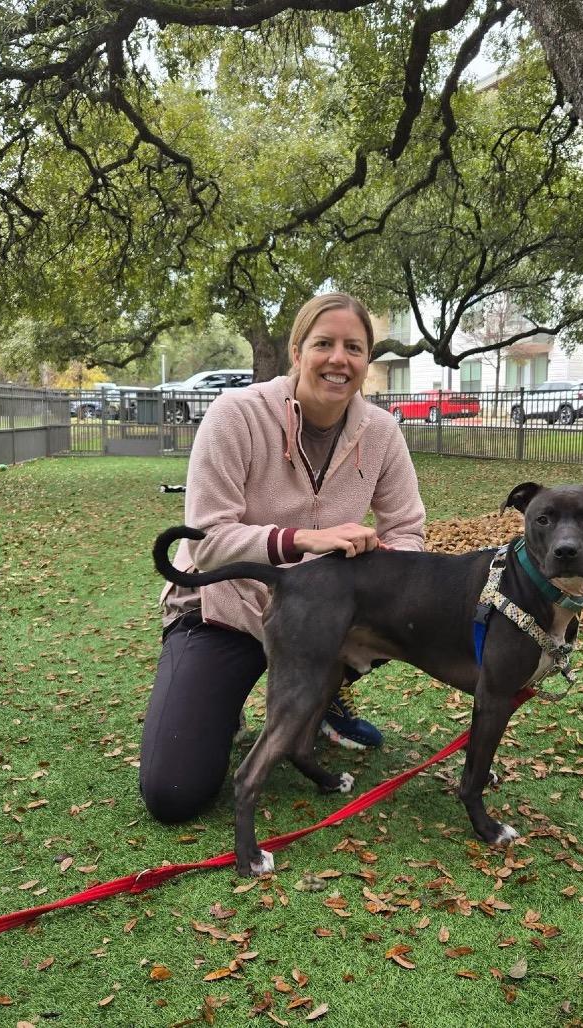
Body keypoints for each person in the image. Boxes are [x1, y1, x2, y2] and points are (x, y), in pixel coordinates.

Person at [139, 293, 426, 824]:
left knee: (407, 600)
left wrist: (385, 569)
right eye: (324, 344)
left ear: (366, 361)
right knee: (173, 791)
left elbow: (407, 530)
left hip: (320, 621)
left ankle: (322, 697)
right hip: (222, 611)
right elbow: (207, 539)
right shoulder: (236, 416)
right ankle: (228, 709)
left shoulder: (382, 433)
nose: (339, 359)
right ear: (297, 351)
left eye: (354, 347)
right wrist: (299, 540)